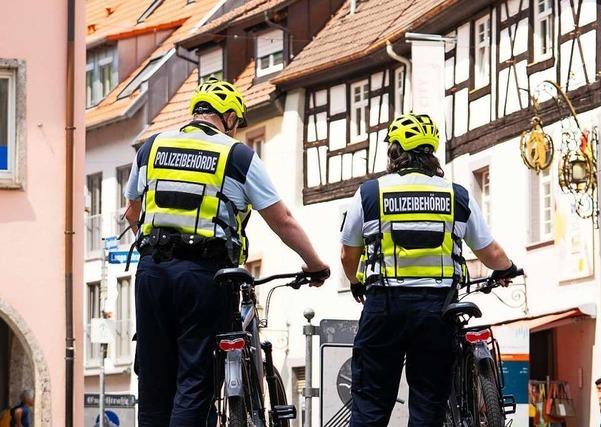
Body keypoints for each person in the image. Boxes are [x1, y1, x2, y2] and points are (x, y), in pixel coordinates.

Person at [124, 77, 330, 427]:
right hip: (205, 277)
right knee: (195, 381)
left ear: (196, 113)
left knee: (155, 383)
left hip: (152, 273)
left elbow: (132, 213)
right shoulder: (236, 155)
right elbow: (282, 220)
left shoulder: (151, 147)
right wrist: (315, 265)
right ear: (230, 118)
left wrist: (157, 251)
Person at [340, 113, 518, 426]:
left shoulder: (370, 193)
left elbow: (347, 253)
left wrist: (357, 281)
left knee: (371, 403)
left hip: (385, 306)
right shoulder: (456, 195)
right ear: (431, 152)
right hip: (438, 309)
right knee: (428, 404)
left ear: (394, 151)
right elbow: (490, 252)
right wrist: (508, 269)